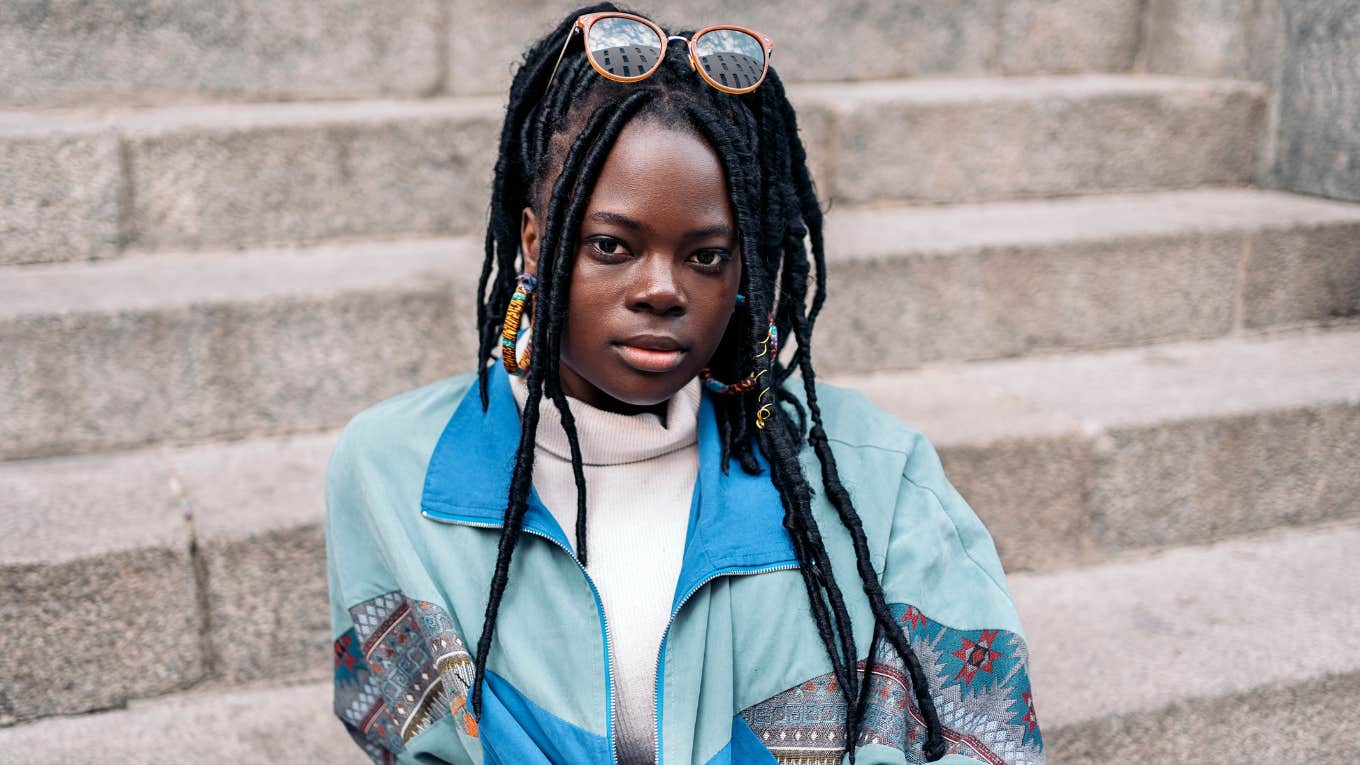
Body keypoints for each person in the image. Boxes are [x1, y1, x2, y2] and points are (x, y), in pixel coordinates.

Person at [324, 4, 1045, 764]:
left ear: (746, 272)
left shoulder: (879, 477)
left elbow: (982, 739)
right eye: (610, 245)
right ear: (536, 241)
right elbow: (402, 730)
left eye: (705, 256)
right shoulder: (391, 471)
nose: (661, 291)